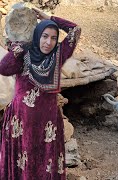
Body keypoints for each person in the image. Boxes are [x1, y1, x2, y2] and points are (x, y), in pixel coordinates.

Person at [0, 8, 81, 179]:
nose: (48, 42)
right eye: (44, 36)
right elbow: (3, 68)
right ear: (36, 36)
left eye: (53, 38)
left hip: (48, 123)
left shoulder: (58, 56)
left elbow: (75, 30)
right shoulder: (23, 55)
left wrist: (49, 18)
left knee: (45, 163)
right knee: (21, 163)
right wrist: (19, 47)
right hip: (21, 122)